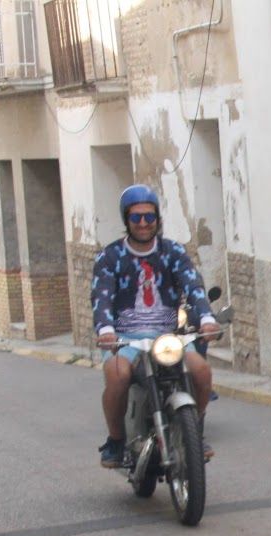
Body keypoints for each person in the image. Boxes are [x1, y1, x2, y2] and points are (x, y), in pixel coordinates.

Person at [90, 184, 219, 468]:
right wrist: (105, 330)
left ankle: (194, 431)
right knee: (117, 375)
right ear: (127, 220)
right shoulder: (110, 257)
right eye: (136, 218)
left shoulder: (172, 251)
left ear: (158, 218)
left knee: (201, 371)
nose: (144, 223)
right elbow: (101, 296)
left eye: (149, 217)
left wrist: (206, 318)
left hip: (167, 336)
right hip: (125, 339)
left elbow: (192, 284)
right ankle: (115, 439)